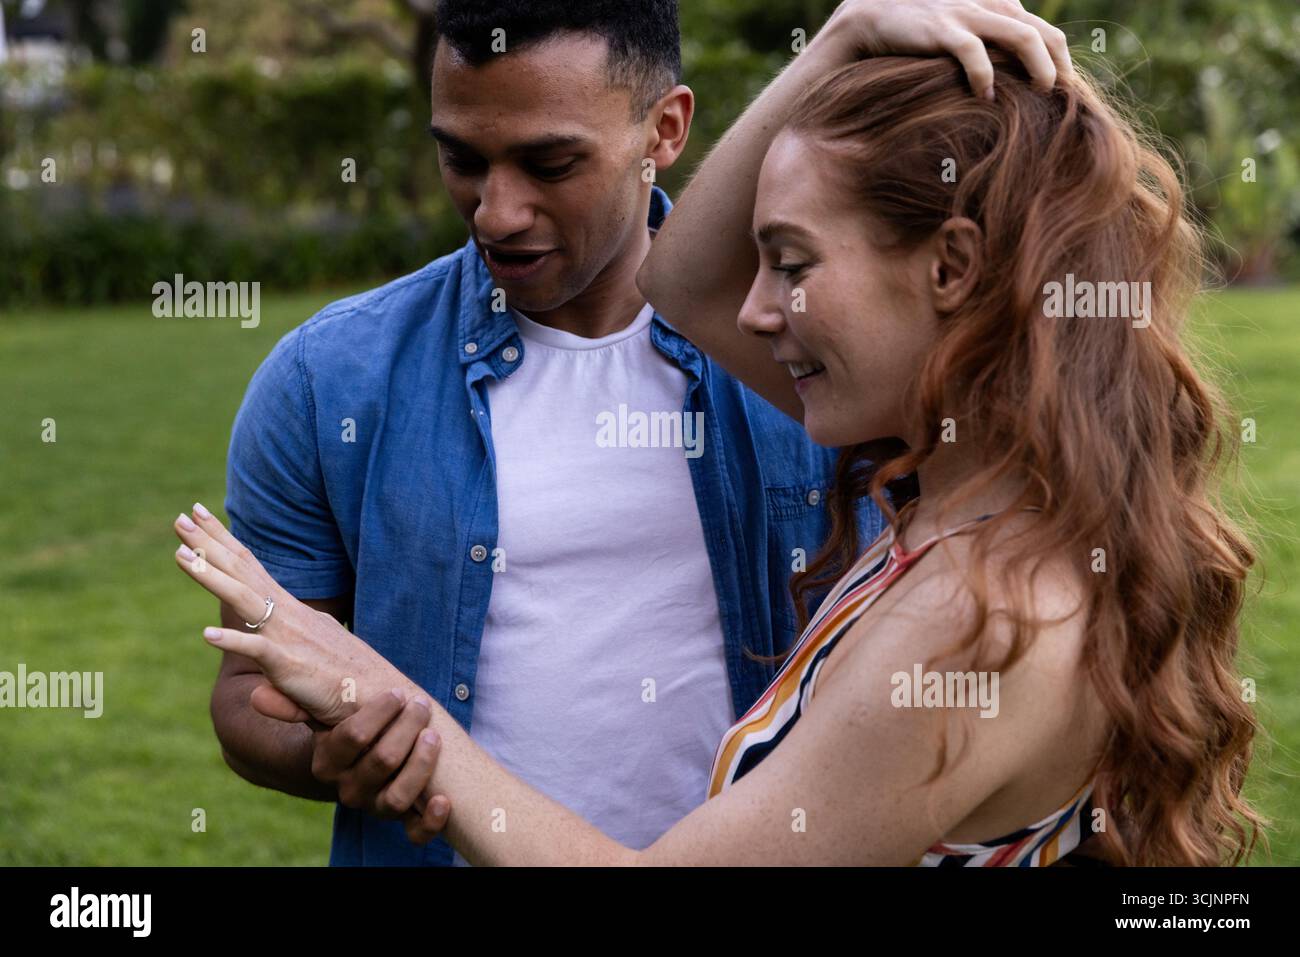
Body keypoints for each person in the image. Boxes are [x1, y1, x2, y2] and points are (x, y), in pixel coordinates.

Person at [178, 0, 1261, 865]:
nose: (751, 307)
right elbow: (685, 281)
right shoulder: (937, 498)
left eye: (789, 264)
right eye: (464, 158)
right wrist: (841, 37)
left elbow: (679, 286)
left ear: (951, 267)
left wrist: (402, 710)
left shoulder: (979, 613)